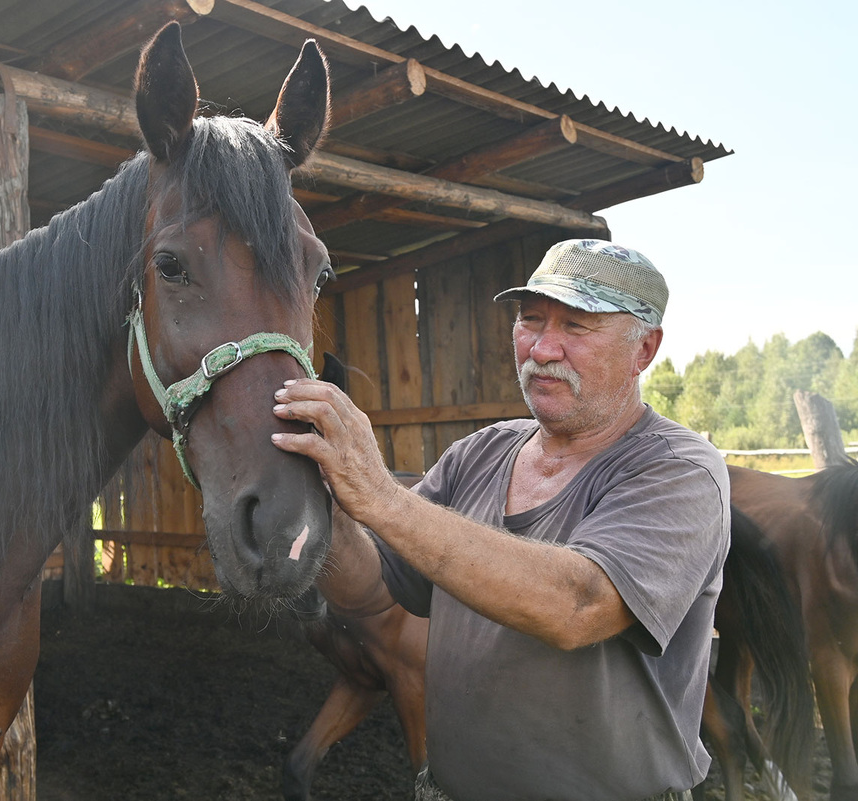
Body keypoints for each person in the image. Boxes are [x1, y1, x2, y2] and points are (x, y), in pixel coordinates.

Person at [270, 239, 730, 801]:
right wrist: (332, 502)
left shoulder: (677, 470)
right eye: (529, 320)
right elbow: (374, 589)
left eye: (577, 326)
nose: (542, 348)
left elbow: (578, 607)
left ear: (645, 350)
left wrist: (382, 498)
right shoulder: (480, 453)